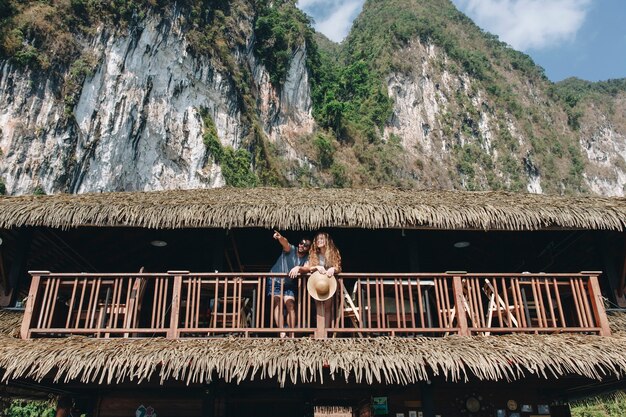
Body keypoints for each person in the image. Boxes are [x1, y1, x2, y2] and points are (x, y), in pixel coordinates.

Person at [291, 231, 342, 328]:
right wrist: (317, 267)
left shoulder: (333, 252)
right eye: (318, 239)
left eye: (322, 239)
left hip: (328, 283)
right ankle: (320, 330)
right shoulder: (314, 253)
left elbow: (338, 267)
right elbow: (309, 267)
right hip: (317, 283)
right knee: (318, 305)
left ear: (327, 240)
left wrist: (333, 269)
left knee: (328, 307)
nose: (319, 241)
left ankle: (325, 331)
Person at [268, 230, 310, 336]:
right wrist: (280, 237)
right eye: (301, 243)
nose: (302, 246)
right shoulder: (291, 249)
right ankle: (282, 331)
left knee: (290, 304)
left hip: (289, 284)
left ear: (309, 248)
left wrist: (298, 267)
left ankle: (291, 333)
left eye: (306, 245)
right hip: (275, 280)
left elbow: (307, 268)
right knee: (278, 302)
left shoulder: (307, 258)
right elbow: (285, 243)